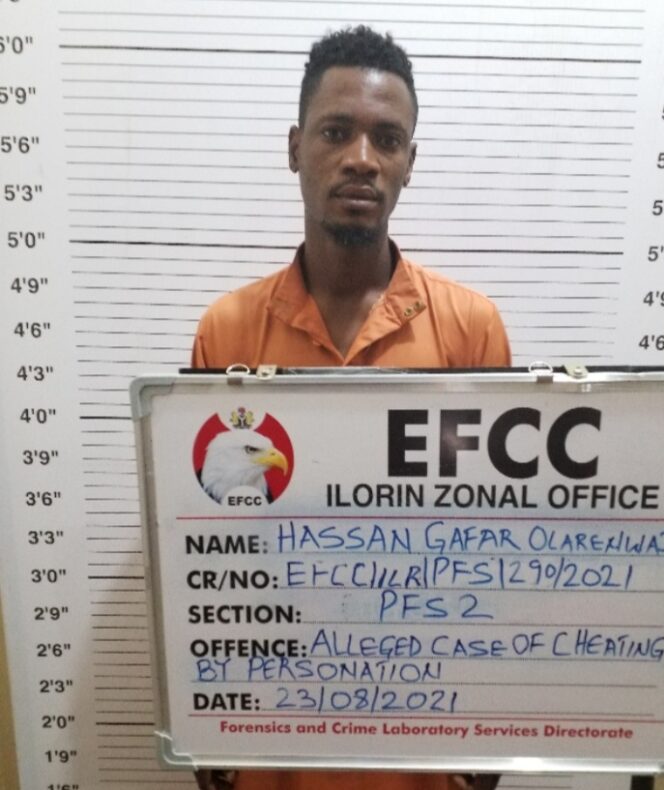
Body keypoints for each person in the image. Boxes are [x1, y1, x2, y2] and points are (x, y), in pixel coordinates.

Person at [193, 24, 509, 790]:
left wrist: (489, 736)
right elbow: (204, 549)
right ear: (295, 148)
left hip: (424, 739)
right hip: (274, 739)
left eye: (386, 139)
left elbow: (495, 551)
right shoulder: (227, 330)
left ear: (409, 162)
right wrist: (208, 733)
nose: (362, 157)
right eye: (337, 132)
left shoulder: (471, 328)